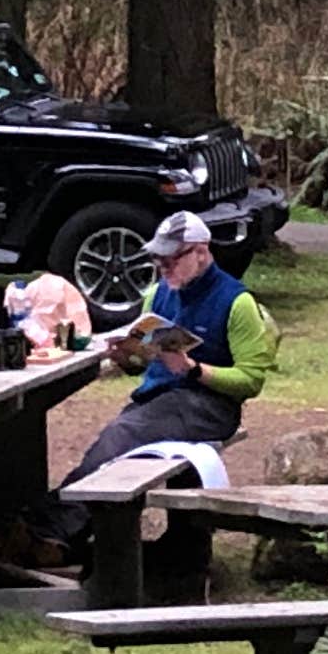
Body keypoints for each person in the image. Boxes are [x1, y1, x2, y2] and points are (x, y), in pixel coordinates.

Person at [42, 211, 276, 545]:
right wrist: (126, 355)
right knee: (116, 442)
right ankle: (65, 529)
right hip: (157, 401)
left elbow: (251, 380)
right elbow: (141, 362)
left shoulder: (237, 302)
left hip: (209, 407)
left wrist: (194, 369)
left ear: (201, 251)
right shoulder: (158, 295)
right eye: (158, 260)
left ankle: (54, 528)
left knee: (121, 436)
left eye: (171, 260)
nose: (163, 268)